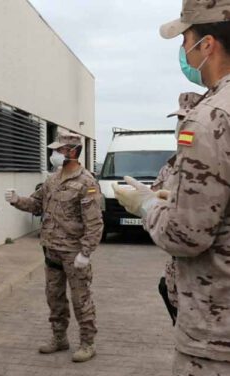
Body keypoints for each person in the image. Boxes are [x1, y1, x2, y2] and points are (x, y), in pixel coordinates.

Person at [114, 1, 230, 374]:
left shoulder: (211, 116)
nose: (183, 50)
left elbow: (186, 236)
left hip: (216, 332)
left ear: (207, 45)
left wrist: (147, 205)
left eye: (185, 39)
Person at [5, 131, 103, 362]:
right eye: (54, 150)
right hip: (51, 250)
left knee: (81, 299)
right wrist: (17, 200)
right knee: (54, 297)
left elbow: (94, 222)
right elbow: (37, 204)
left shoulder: (86, 183)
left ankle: (88, 343)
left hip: (74, 252)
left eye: (59, 150)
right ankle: (59, 338)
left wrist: (86, 252)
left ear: (73, 152)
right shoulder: (52, 179)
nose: (54, 154)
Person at [152, 91, 202, 326]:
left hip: (204, 274)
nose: (181, 126)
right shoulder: (169, 167)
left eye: (186, 120)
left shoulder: (213, 162)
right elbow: (154, 197)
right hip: (175, 265)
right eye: (178, 121)